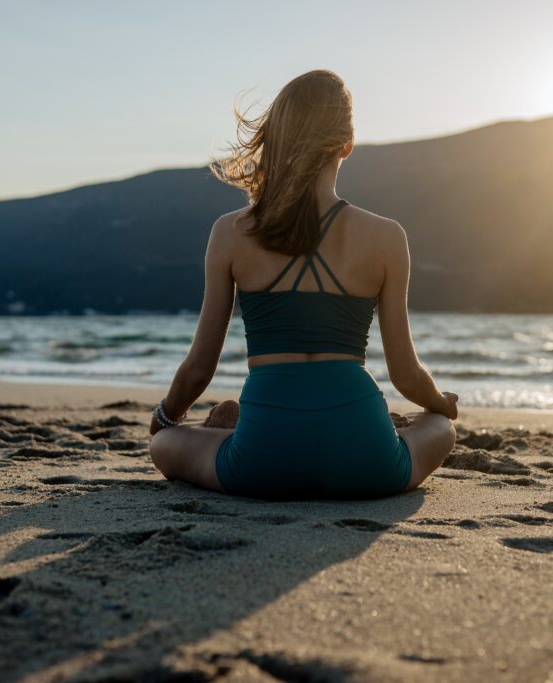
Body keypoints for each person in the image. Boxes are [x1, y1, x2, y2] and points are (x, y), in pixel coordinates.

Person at [149, 69, 457, 499]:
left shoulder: (231, 232)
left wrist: (166, 417)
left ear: (274, 139)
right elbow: (406, 375)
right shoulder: (387, 236)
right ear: (347, 144)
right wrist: (441, 404)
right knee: (440, 428)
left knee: (165, 444)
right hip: (368, 464)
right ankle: (377, 427)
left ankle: (228, 428)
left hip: (261, 463)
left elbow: (199, 368)